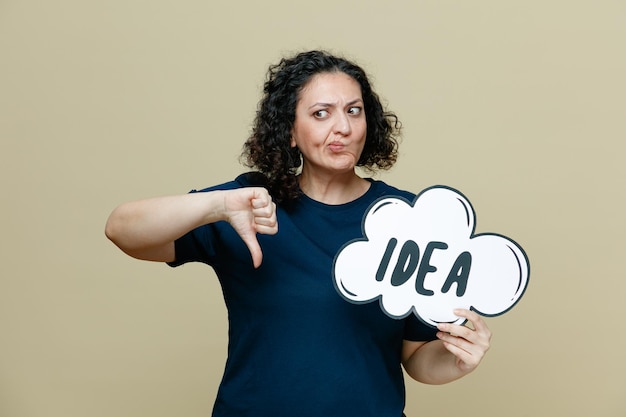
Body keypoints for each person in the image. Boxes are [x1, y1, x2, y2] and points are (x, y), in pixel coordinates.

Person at [105, 50, 491, 417]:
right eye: (321, 113)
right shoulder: (247, 204)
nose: (342, 126)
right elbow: (122, 229)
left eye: (354, 111)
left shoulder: (409, 218)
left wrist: (458, 359)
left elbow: (417, 357)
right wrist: (217, 206)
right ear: (290, 132)